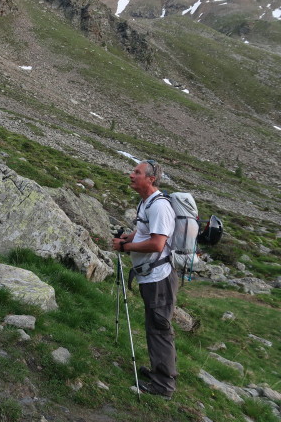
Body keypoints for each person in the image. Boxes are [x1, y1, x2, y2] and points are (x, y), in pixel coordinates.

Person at [112, 160, 178, 399]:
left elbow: (157, 243)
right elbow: (146, 233)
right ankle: (158, 372)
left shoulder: (159, 206)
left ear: (151, 179)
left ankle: (164, 386)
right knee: (154, 326)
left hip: (158, 277)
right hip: (150, 276)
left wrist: (126, 246)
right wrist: (129, 237)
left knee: (160, 328)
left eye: (136, 172)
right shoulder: (146, 203)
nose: (131, 175)